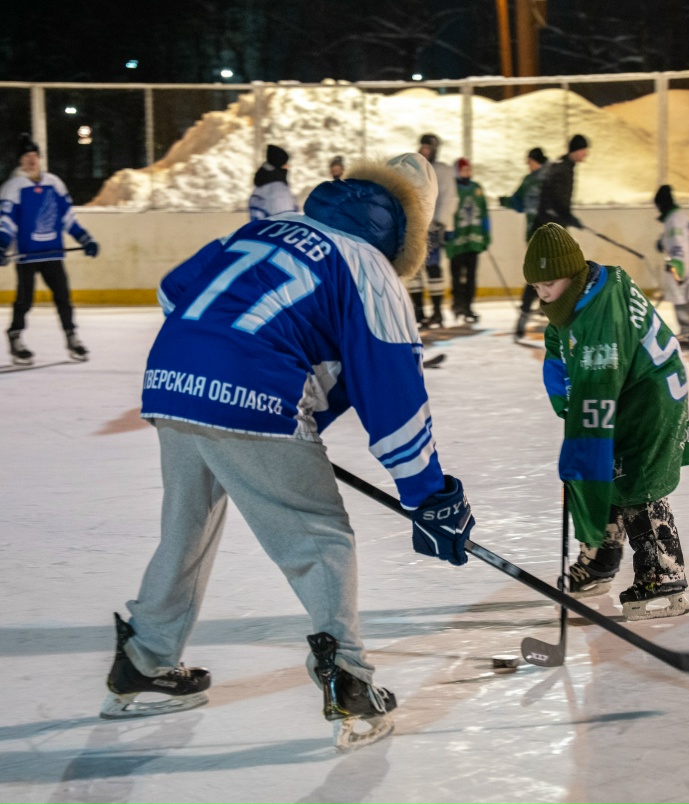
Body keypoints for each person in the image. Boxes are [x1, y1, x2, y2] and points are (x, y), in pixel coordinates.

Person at [107, 153, 477, 753]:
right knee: (319, 538)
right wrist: (429, 495)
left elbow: (173, 290)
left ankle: (144, 659)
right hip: (249, 395)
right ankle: (349, 681)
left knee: (187, 525)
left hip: (171, 381)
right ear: (408, 227)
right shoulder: (369, 266)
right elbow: (394, 395)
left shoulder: (262, 228)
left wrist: (231, 371)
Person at [525, 223, 689, 621]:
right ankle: (602, 557)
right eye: (536, 287)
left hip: (649, 401)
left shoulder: (599, 324)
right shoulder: (594, 284)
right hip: (636, 389)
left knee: (635, 482)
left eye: (549, 283)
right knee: (610, 470)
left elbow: (592, 412)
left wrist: (579, 455)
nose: (544, 294)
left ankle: (664, 573)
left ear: (572, 272)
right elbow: (559, 339)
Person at [1, 133, 99, 364]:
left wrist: (85, 239)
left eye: (34, 155)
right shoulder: (13, 188)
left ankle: (71, 336)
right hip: (27, 256)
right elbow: (7, 221)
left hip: (53, 253)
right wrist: (2, 244)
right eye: (26, 156)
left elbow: (67, 218)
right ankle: (15, 337)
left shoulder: (54, 184)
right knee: (24, 301)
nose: (31, 160)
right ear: (20, 161)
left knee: (63, 298)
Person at [406, 133, 457, 328]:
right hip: (415, 225)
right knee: (415, 269)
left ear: (434, 149)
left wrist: (444, 224)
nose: (423, 150)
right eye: (422, 147)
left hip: (434, 226)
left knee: (433, 268)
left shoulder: (442, 170)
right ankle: (419, 311)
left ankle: (437, 311)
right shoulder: (413, 169)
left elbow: (449, 197)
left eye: (427, 147)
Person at [500, 147, 549, 339]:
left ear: (533, 160)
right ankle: (544, 308)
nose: (528, 165)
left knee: (537, 276)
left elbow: (518, 202)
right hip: (547, 235)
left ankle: (525, 315)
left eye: (528, 161)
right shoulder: (544, 178)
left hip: (540, 235)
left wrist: (504, 201)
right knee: (547, 274)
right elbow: (519, 203)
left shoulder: (537, 180)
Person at [654, 184, 689, 341]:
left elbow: (679, 245)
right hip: (687, 264)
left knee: (680, 298)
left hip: (681, 266)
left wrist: (677, 267)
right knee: (682, 297)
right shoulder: (677, 217)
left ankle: (688, 330)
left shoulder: (674, 220)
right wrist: (662, 242)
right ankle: (688, 329)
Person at [446, 157, 490, 324]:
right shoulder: (452, 190)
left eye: (468, 170)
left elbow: (484, 213)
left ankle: (468, 306)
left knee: (471, 276)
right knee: (457, 276)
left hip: (473, 240)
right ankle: (457, 303)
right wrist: (447, 231)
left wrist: (486, 235)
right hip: (457, 241)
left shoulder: (476, 188)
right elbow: (447, 211)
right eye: (464, 170)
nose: (467, 173)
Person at [534, 134, 589, 230]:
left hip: (550, 222)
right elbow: (556, 199)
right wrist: (569, 218)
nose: (586, 153)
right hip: (551, 224)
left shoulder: (563, 166)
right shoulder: (563, 170)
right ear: (576, 150)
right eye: (584, 150)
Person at [248, 144, 298, 221]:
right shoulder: (278, 190)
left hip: (259, 230)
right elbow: (286, 219)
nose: (288, 167)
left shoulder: (261, 186)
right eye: (285, 164)